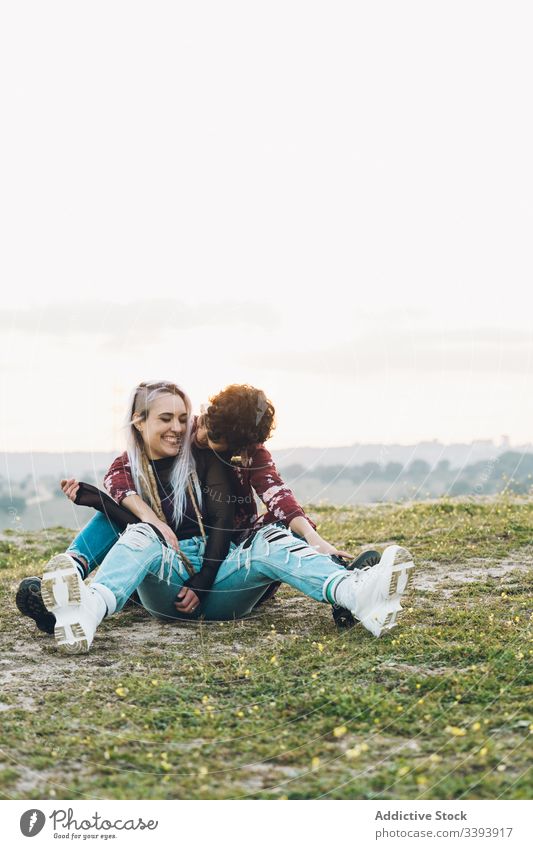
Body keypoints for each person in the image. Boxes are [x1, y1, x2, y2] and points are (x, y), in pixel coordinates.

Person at [20, 381, 416, 654]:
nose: (193, 431)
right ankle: (80, 604)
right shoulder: (178, 440)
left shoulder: (232, 456)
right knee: (137, 531)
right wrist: (127, 510)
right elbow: (121, 473)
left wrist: (315, 540)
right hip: (171, 570)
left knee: (271, 538)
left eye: (193, 424)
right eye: (198, 420)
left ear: (241, 446)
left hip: (228, 564)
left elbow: (269, 500)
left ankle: (355, 593)